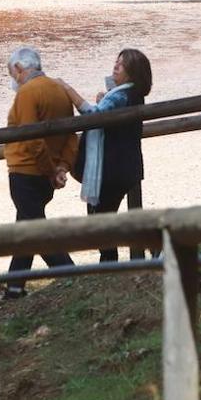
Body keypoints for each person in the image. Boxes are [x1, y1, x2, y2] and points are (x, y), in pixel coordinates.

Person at [60, 49, 152, 263]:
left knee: (101, 220)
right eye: (116, 62)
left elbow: (94, 116)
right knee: (103, 217)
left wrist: (69, 90)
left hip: (112, 170)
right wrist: (103, 100)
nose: (116, 67)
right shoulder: (129, 95)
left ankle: (111, 264)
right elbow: (104, 113)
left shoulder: (121, 95)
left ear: (132, 72)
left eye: (121, 65)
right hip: (123, 167)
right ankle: (115, 260)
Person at [3, 46, 76, 297]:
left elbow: (31, 138)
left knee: (35, 231)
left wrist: (49, 170)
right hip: (46, 175)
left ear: (19, 68)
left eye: (12, 73)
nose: (13, 78)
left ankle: (71, 275)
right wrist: (62, 166)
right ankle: (14, 287)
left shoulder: (26, 93)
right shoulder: (59, 90)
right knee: (26, 228)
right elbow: (72, 134)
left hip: (26, 172)